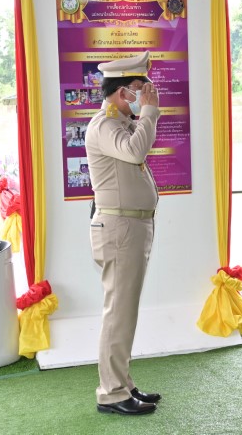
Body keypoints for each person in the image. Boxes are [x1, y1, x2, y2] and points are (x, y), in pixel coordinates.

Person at [85, 51, 161, 416]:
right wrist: (149, 113)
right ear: (121, 92)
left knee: (124, 311)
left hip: (131, 226)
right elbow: (134, 152)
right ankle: (112, 392)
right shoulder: (106, 126)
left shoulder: (121, 122)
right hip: (120, 229)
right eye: (138, 89)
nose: (144, 94)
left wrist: (141, 115)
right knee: (118, 312)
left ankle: (123, 383)